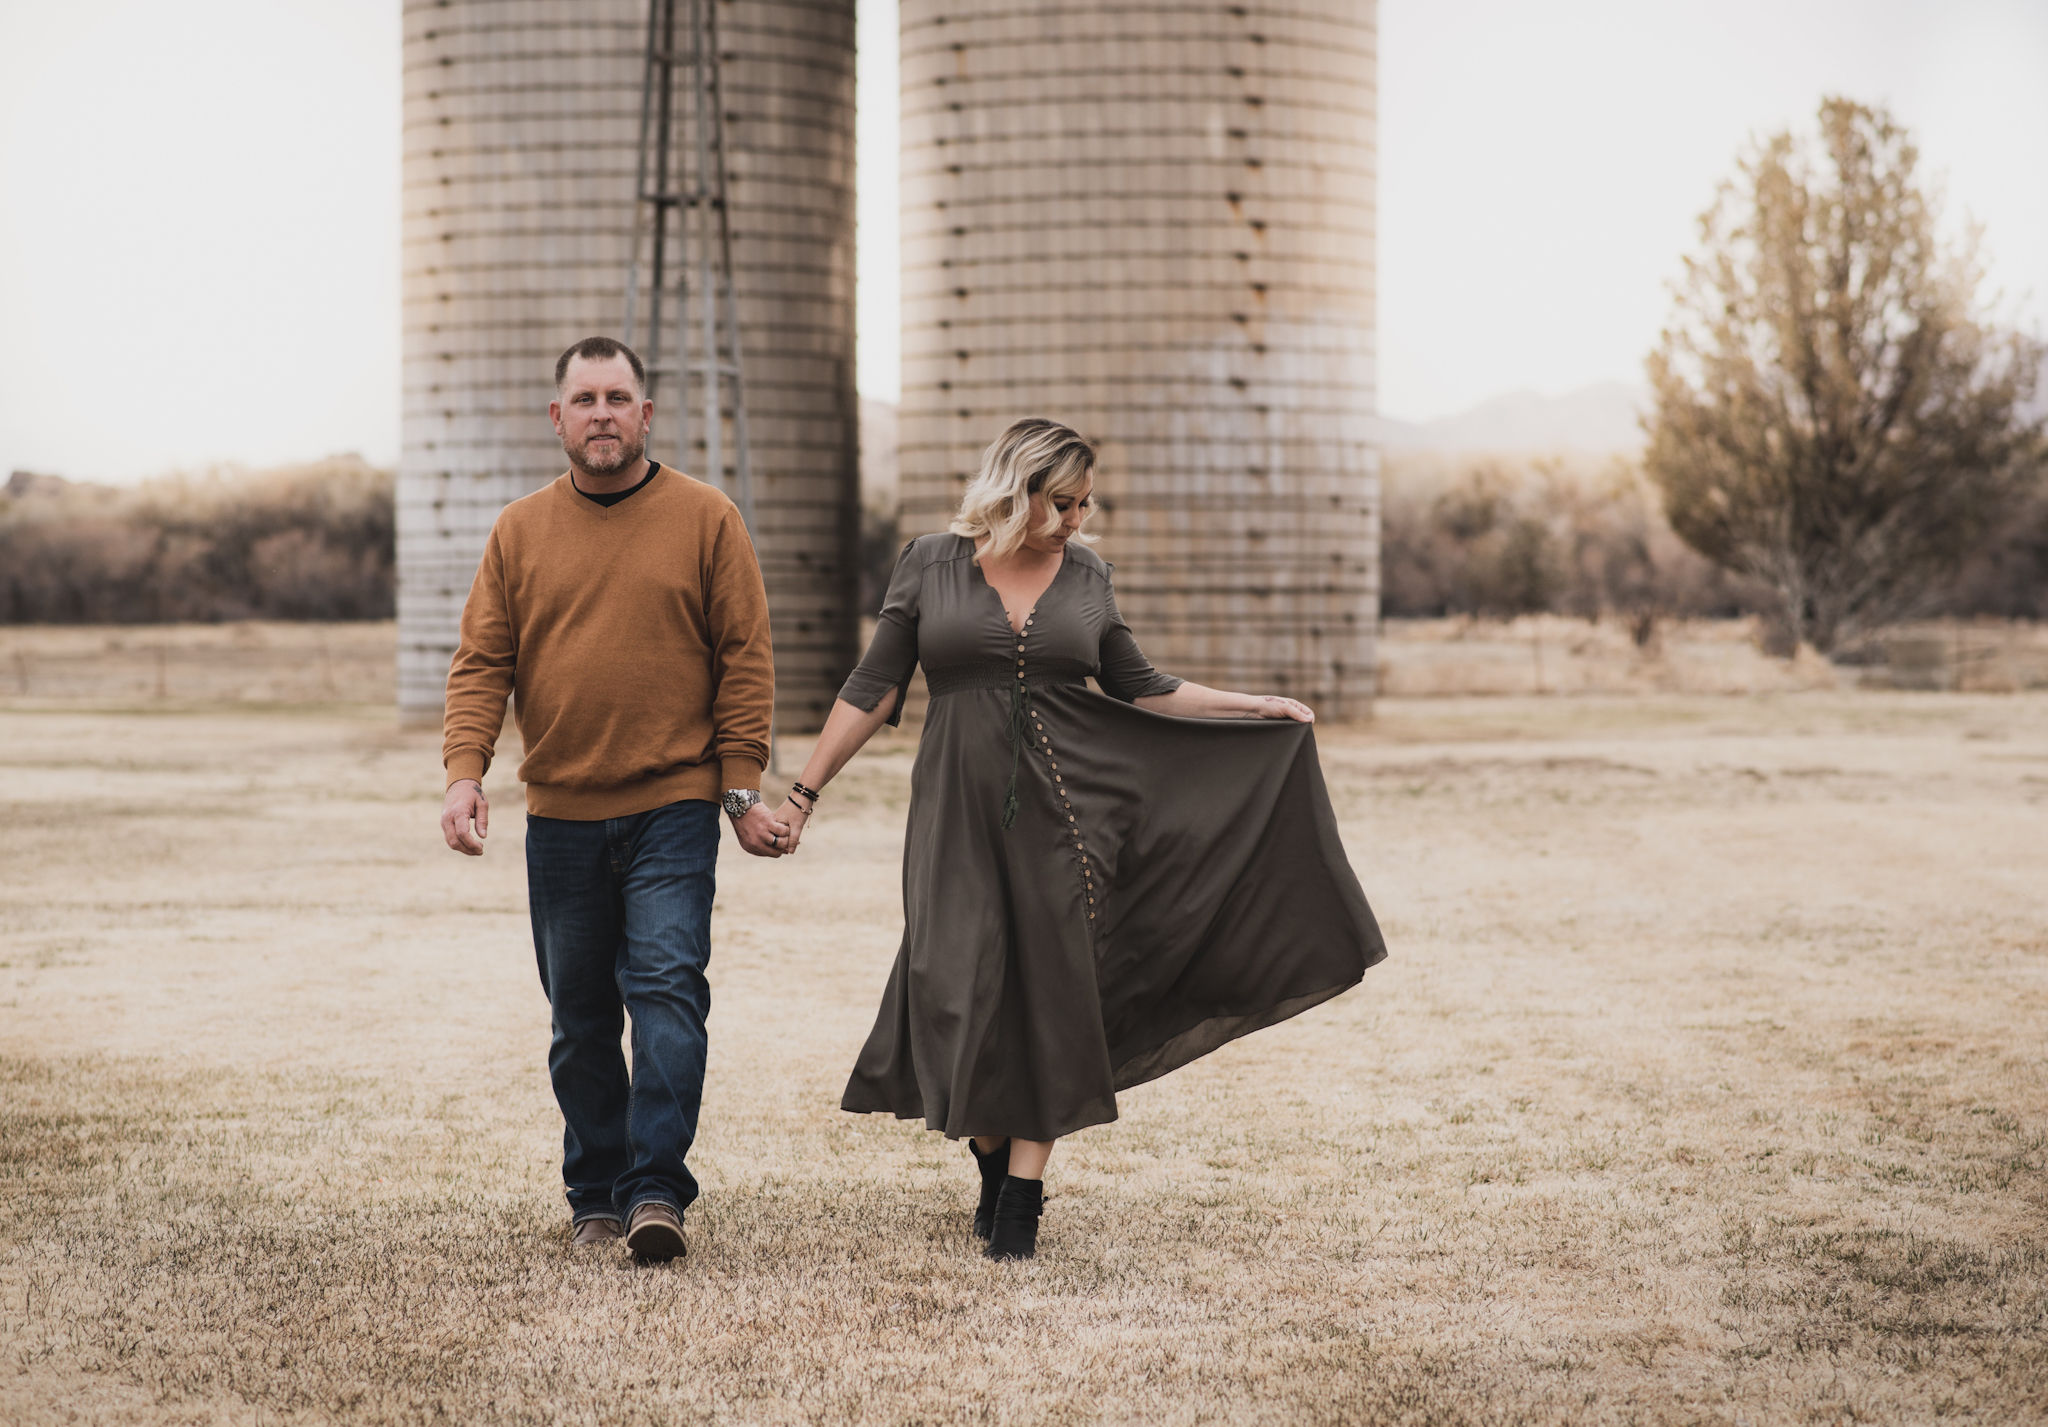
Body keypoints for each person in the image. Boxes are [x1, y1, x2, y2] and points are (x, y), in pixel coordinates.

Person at [776, 417, 1386, 1261]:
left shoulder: (1089, 573)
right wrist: (803, 793)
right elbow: (874, 688)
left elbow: (1143, 685)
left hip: (1072, 815)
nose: (1074, 519)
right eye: (1061, 502)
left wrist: (1257, 706)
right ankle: (993, 1162)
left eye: (1084, 504)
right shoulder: (929, 562)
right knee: (947, 983)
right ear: (1015, 488)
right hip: (953, 813)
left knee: (1055, 995)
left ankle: (1021, 1198)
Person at [438, 336, 789, 1263]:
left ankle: (654, 1191)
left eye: (618, 397)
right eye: (585, 398)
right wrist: (465, 771)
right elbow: (483, 663)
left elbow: (744, 661)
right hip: (559, 814)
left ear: (646, 413)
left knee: (669, 991)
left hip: (674, 806)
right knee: (580, 1017)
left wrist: (740, 785)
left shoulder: (708, 518)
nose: (602, 412)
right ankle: (593, 1185)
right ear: (559, 417)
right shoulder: (518, 531)